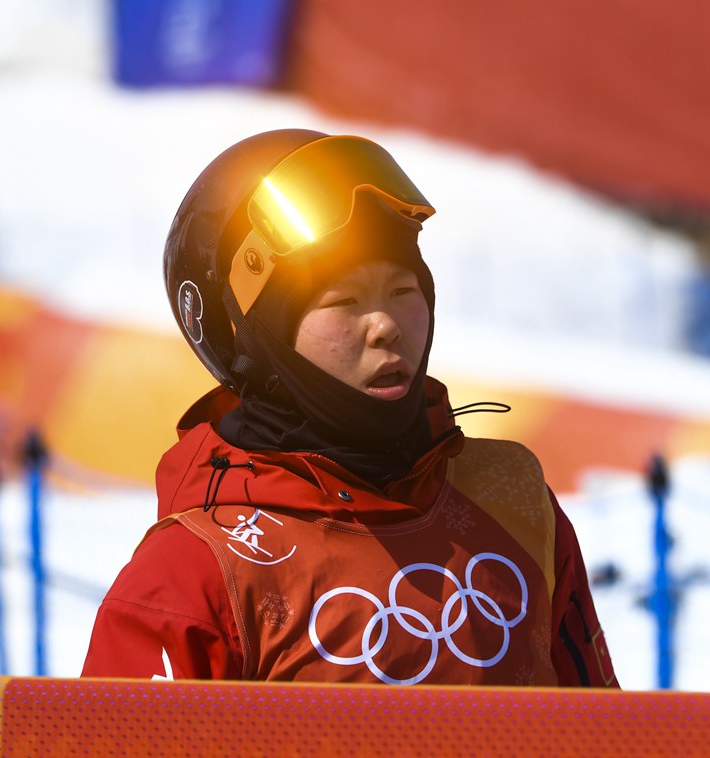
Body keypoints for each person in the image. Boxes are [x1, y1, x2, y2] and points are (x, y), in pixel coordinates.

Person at [81, 129, 618, 687]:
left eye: (403, 290)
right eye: (343, 301)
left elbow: (603, 735)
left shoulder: (515, 501)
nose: (385, 325)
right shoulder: (194, 572)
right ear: (260, 338)